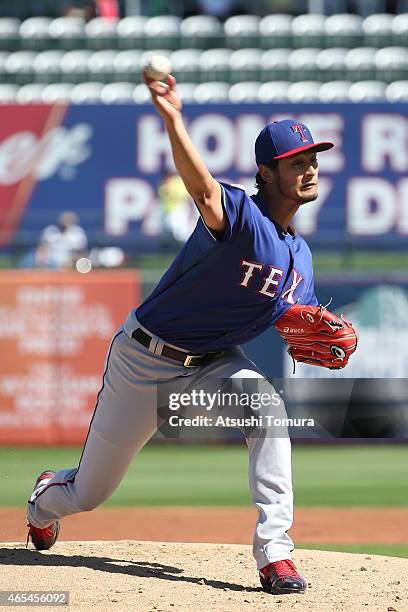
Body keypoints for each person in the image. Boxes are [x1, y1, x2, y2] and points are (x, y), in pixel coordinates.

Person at [26, 73, 343, 596]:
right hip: (143, 360)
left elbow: (295, 320)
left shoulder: (302, 258)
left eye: (313, 159)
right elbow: (200, 187)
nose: (310, 169)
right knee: (88, 493)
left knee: (266, 408)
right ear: (268, 171)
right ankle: (44, 498)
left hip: (214, 363)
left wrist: (313, 335)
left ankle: (276, 554)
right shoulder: (241, 214)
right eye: (297, 161)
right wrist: (173, 118)